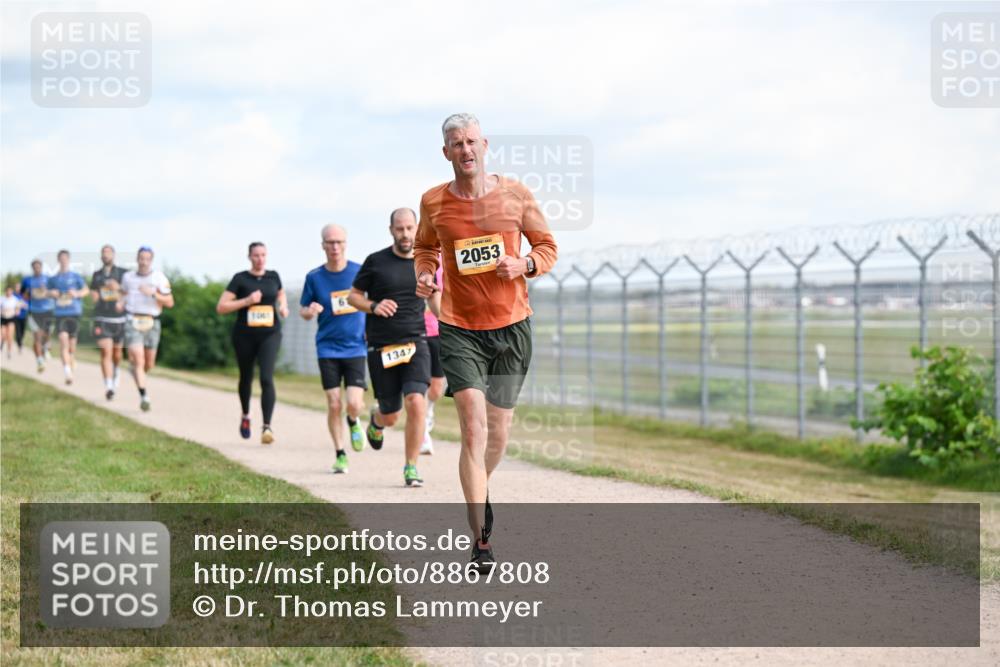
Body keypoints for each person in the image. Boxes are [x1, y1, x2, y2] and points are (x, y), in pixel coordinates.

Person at [414, 113, 558, 571]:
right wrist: (424, 273)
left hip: (512, 327)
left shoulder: (516, 194)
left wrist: (524, 265)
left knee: (498, 434)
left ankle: (479, 485)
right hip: (460, 328)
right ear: (446, 152)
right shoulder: (433, 201)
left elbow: (547, 246)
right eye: (457, 143)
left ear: (485, 145)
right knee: (473, 430)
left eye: (471, 141)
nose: (465, 150)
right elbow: (425, 247)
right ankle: (481, 541)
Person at [349, 207, 432, 488]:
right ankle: (377, 421)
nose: (405, 234)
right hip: (382, 346)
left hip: (416, 341)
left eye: (409, 228)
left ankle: (411, 466)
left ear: (417, 228)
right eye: (400, 229)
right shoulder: (376, 261)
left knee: (416, 402)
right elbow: (353, 297)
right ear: (391, 230)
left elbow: (436, 299)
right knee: (391, 414)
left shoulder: (425, 261)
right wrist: (373, 306)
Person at [299, 224, 367, 473]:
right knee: (334, 402)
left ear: (345, 244)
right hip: (327, 348)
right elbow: (303, 310)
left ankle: (353, 419)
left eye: (339, 242)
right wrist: (310, 311)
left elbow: (371, 302)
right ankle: (340, 453)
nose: (335, 247)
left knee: (354, 403)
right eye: (330, 242)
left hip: (356, 346)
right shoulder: (314, 277)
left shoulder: (359, 272)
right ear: (323, 245)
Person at [217, 242, 289, 444]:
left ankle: (267, 427)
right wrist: (247, 301)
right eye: (256, 255)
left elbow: (281, 293)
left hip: (270, 334)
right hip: (245, 335)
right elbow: (221, 307)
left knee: (266, 378)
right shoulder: (240, 279)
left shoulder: (273, 276)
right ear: (249, 257)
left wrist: (283, 306)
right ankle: (246, 415)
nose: (260, 259)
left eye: (263, 255)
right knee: (246, 377)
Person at [118, 246, 174, 411]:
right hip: (132, 320)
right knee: (139, 359)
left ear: (151, 260)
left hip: (152, 321)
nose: (143, 262)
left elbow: (170, 302)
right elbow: (123, 294)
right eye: (141, 258)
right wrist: (120, 303)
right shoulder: (128, 277)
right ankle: (144, 396)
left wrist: (153, 294)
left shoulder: (159, 277)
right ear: (137, 259)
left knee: (149, 363)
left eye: (147, 259)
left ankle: (136, 372)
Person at [90, 244, 128, 399]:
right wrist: (96, 295)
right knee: (106, 351)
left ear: (114, 255)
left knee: (117, 353)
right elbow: (93, 293)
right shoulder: (96, 275)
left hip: (119, 319)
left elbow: (129, 293)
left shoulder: (123, 273)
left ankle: (116, 370)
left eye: (108, 253)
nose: (106, 255)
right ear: (101, 256)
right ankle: (109, 385)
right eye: (103, 253)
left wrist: (117, 289)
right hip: (102, 318)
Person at [47, 250, 89, 384]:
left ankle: (72, 357)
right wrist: (51, 293)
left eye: (65, 258)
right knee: (63, 341)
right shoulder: (53, 279)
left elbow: (86, 290)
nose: (63, 261)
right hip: (60, 314)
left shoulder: (75, 276)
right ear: (58, 260)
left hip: (74, 313)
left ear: (69, 260)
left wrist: (77, 293)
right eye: (61, 258)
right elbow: (45, 292)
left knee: (71, 346)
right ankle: (67, 373)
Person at [421, 264, 445, 455]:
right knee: (418, 385)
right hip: (414, 333)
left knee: (436, 389)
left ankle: (428, 413)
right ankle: (422, 432)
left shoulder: (448, 261)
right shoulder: (413, 261)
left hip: (439, 332)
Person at [20, 259, 54, 373]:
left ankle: (46, 347)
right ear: (32, 268)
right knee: (37, 336)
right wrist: (28, 293)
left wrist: (46, 291)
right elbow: (23, 296)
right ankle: (40, 361)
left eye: (38, 267)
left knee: (47, 335)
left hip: (48, 310)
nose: (37, 269)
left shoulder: (48, 279)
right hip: (34, 311)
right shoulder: (27, 280)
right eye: (34, 267)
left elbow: (55, 293)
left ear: (41, 267)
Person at [1, 286, 26, 359]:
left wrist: (17, 310)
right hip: (3, 318)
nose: (9, 292)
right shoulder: (2, 298)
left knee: (10, 335)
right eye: (7, 291)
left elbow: (22, 305)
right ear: (6, 291)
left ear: (12, 292)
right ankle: (2, 342)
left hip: (11, 318)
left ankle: (9, 351)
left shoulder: (15, 299)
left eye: (10, 291)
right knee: (3, 334)